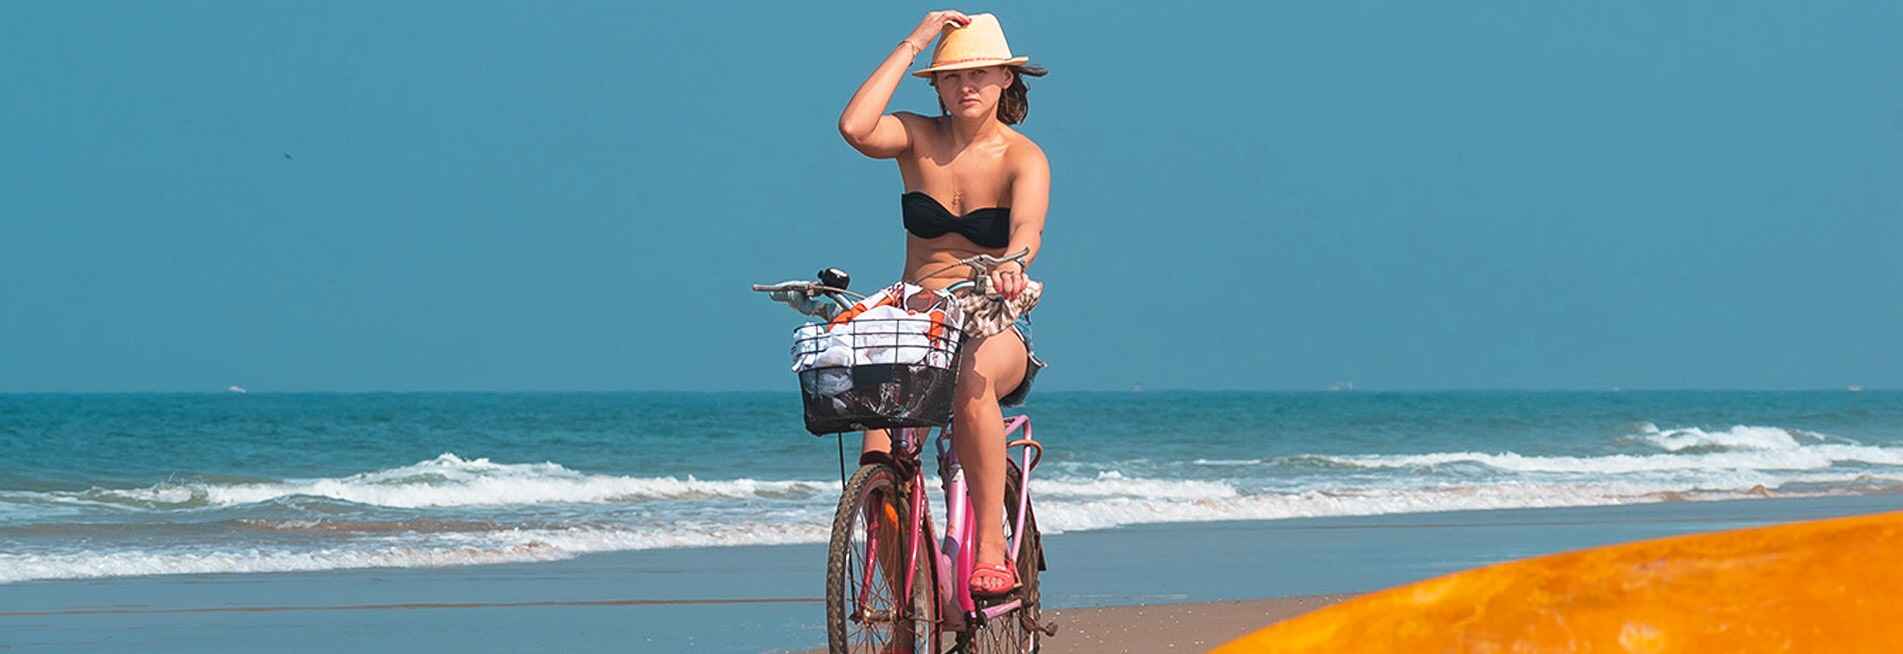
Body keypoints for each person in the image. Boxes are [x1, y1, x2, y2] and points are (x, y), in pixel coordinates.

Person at [837, 10, 1049, 597]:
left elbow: (1028, 228)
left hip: (992, 313)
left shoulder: (1021, 157)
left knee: (972, 377)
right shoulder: (915, 136)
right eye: (952, 76)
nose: (967, 86)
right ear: (936, 85)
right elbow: (855, 127)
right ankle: (901, 604)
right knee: (875, 448)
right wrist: (918, 38)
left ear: (1006, 78)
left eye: (980, 73)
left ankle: (987, 549)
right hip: (917, 311)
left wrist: (1012, 262)